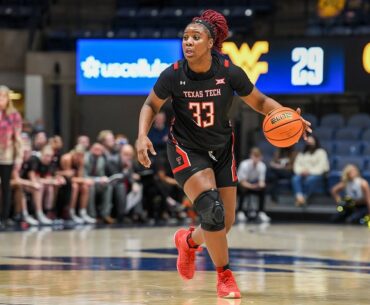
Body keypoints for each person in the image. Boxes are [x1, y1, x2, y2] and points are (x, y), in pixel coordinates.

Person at [136, 9, 311, 298]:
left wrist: (287, 114)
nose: (188, 42)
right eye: (185, 37)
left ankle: (188, 242)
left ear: (210, 42)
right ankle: (224, 277)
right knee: (211, 210)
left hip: (221, 149)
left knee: (223, 223)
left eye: (196, 37)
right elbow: (150, 105)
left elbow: (261, 102)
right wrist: (142, 136)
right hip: (186, 148)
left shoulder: (229, 71)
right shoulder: (173, 74)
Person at [0, 85, 23, 228]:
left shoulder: (14, 115)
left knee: (6, 187)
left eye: (3, 96)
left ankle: (4, 218)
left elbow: (18, 139)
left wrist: (19, 158)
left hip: (6, 155)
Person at [292, 135, 329, 206]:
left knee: (310, 179)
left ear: (315, 142)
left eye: (311, 141)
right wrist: (301, 171)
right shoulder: (302, 153)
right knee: (295, 178)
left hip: (316, 174)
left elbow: (322, 167)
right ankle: (300, 198)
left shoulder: (321, 152)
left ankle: (304, 198)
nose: (309, 143)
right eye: (308, 142)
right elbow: (297, 165)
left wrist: (309, 172)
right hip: (302, 173)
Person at [237, 147, 270, 223]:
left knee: (263, 189)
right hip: (244, 185)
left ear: (261, 157)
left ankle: (261, 212)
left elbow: (261, 181)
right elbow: (242, 182)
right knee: (242, 189)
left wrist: (261, 185)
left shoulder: (262, 166)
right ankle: (240, 212)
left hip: (254, 185)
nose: (256, 158)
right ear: (251, 156)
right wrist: (252, 186)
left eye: (258, 156)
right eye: (255, 156)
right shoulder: (244, 164)